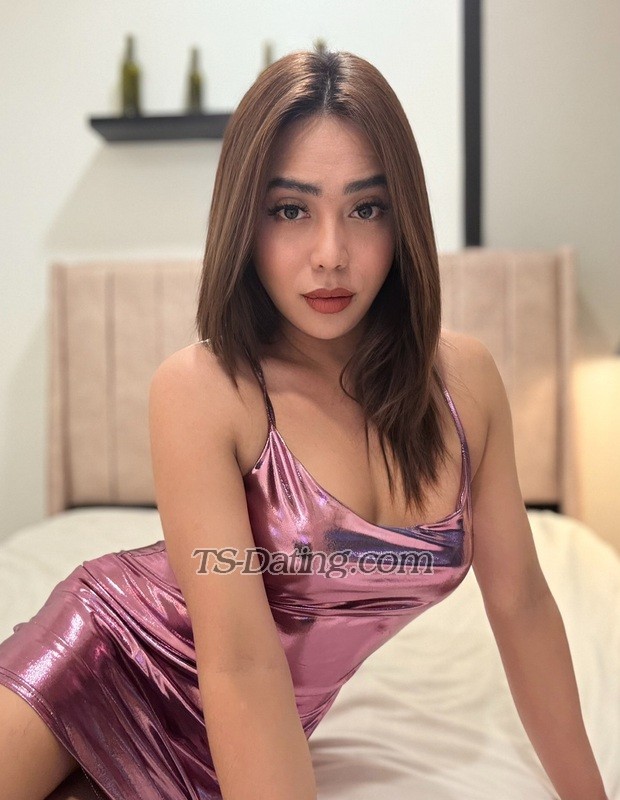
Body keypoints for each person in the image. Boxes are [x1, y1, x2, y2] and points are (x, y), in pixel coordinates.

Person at [0, 48, 609, 800]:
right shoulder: (205, 389)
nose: (331, 255)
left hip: (254, 733)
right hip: (102, 662)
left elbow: (522, 605)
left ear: (403, 219)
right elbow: (241, 661)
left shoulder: (466, 384)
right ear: (246, 223)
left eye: (366, 208)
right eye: (291, 210)